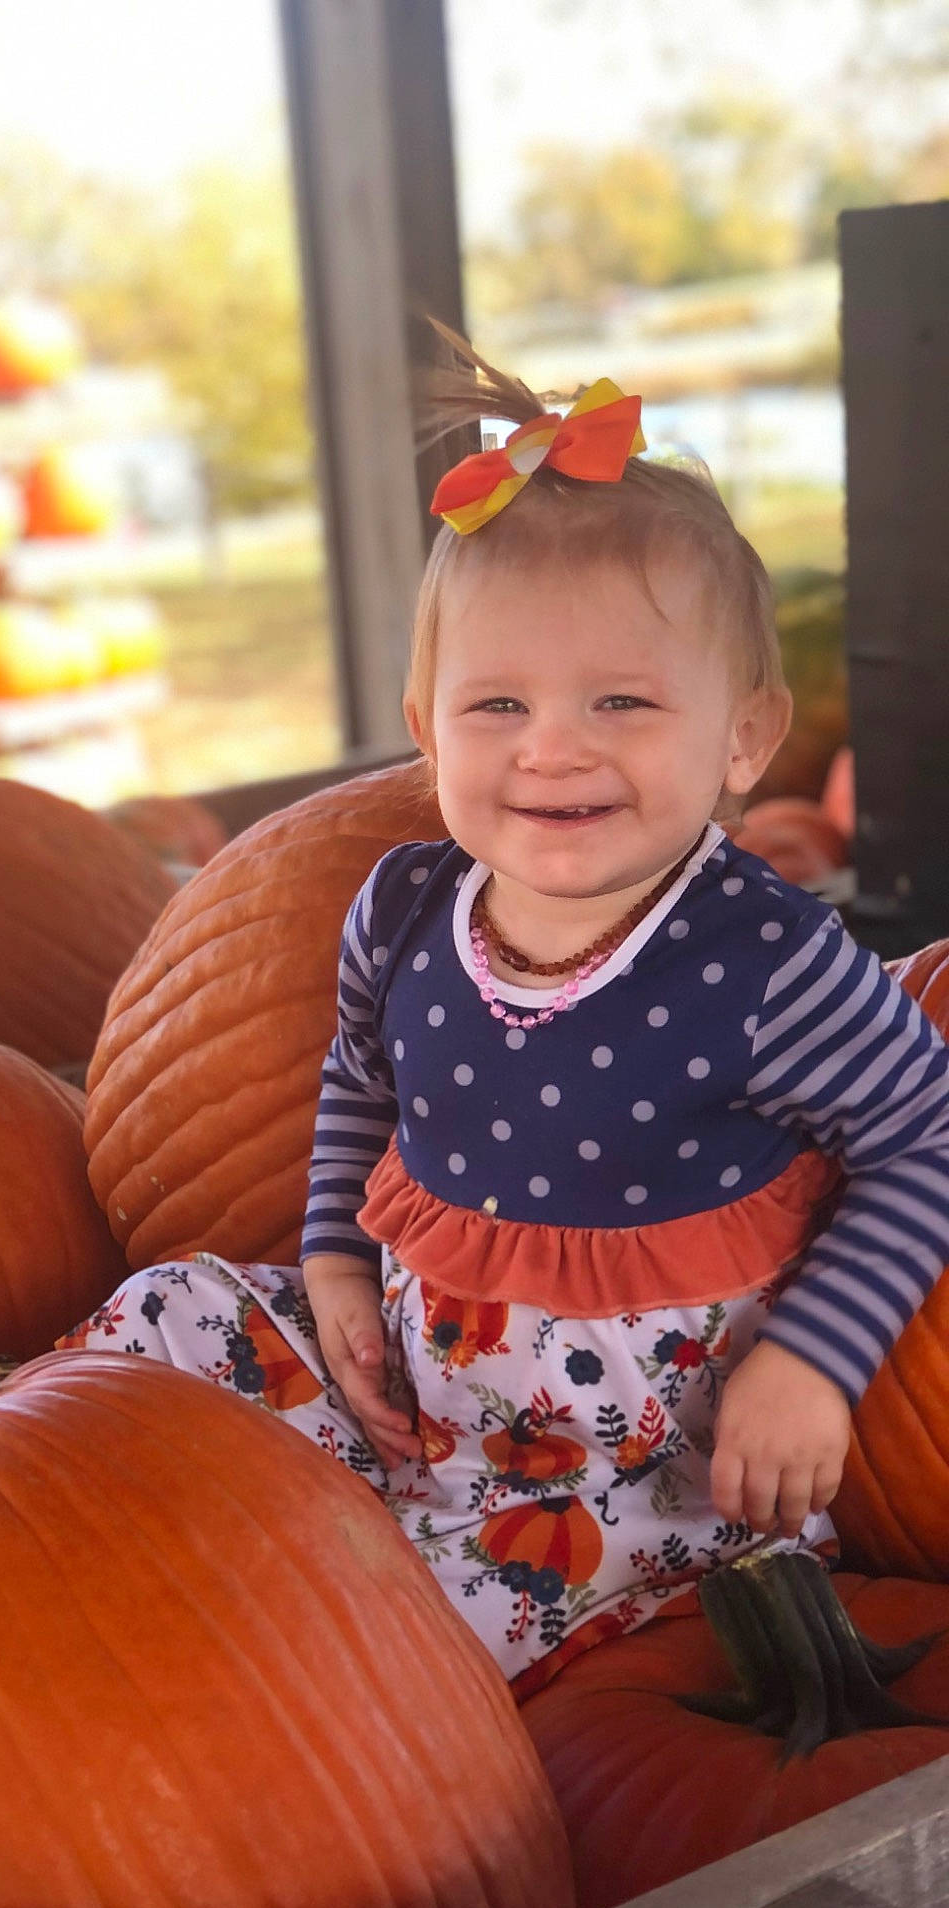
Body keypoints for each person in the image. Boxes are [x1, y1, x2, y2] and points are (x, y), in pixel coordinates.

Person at [59, 330, 949, 1692]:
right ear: (425, 728)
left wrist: (816, 1364)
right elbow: (361, 1082)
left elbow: (924, 1139)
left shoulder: (768, 960)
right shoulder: (405, 909)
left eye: (622, 701)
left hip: (627, 1485)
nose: (552, 746)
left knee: (381, 1645)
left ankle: (237, 1652)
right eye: (498, 703)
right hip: (414, 1391)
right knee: (169, 1308)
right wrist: (336, 1264)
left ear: (746, 736)